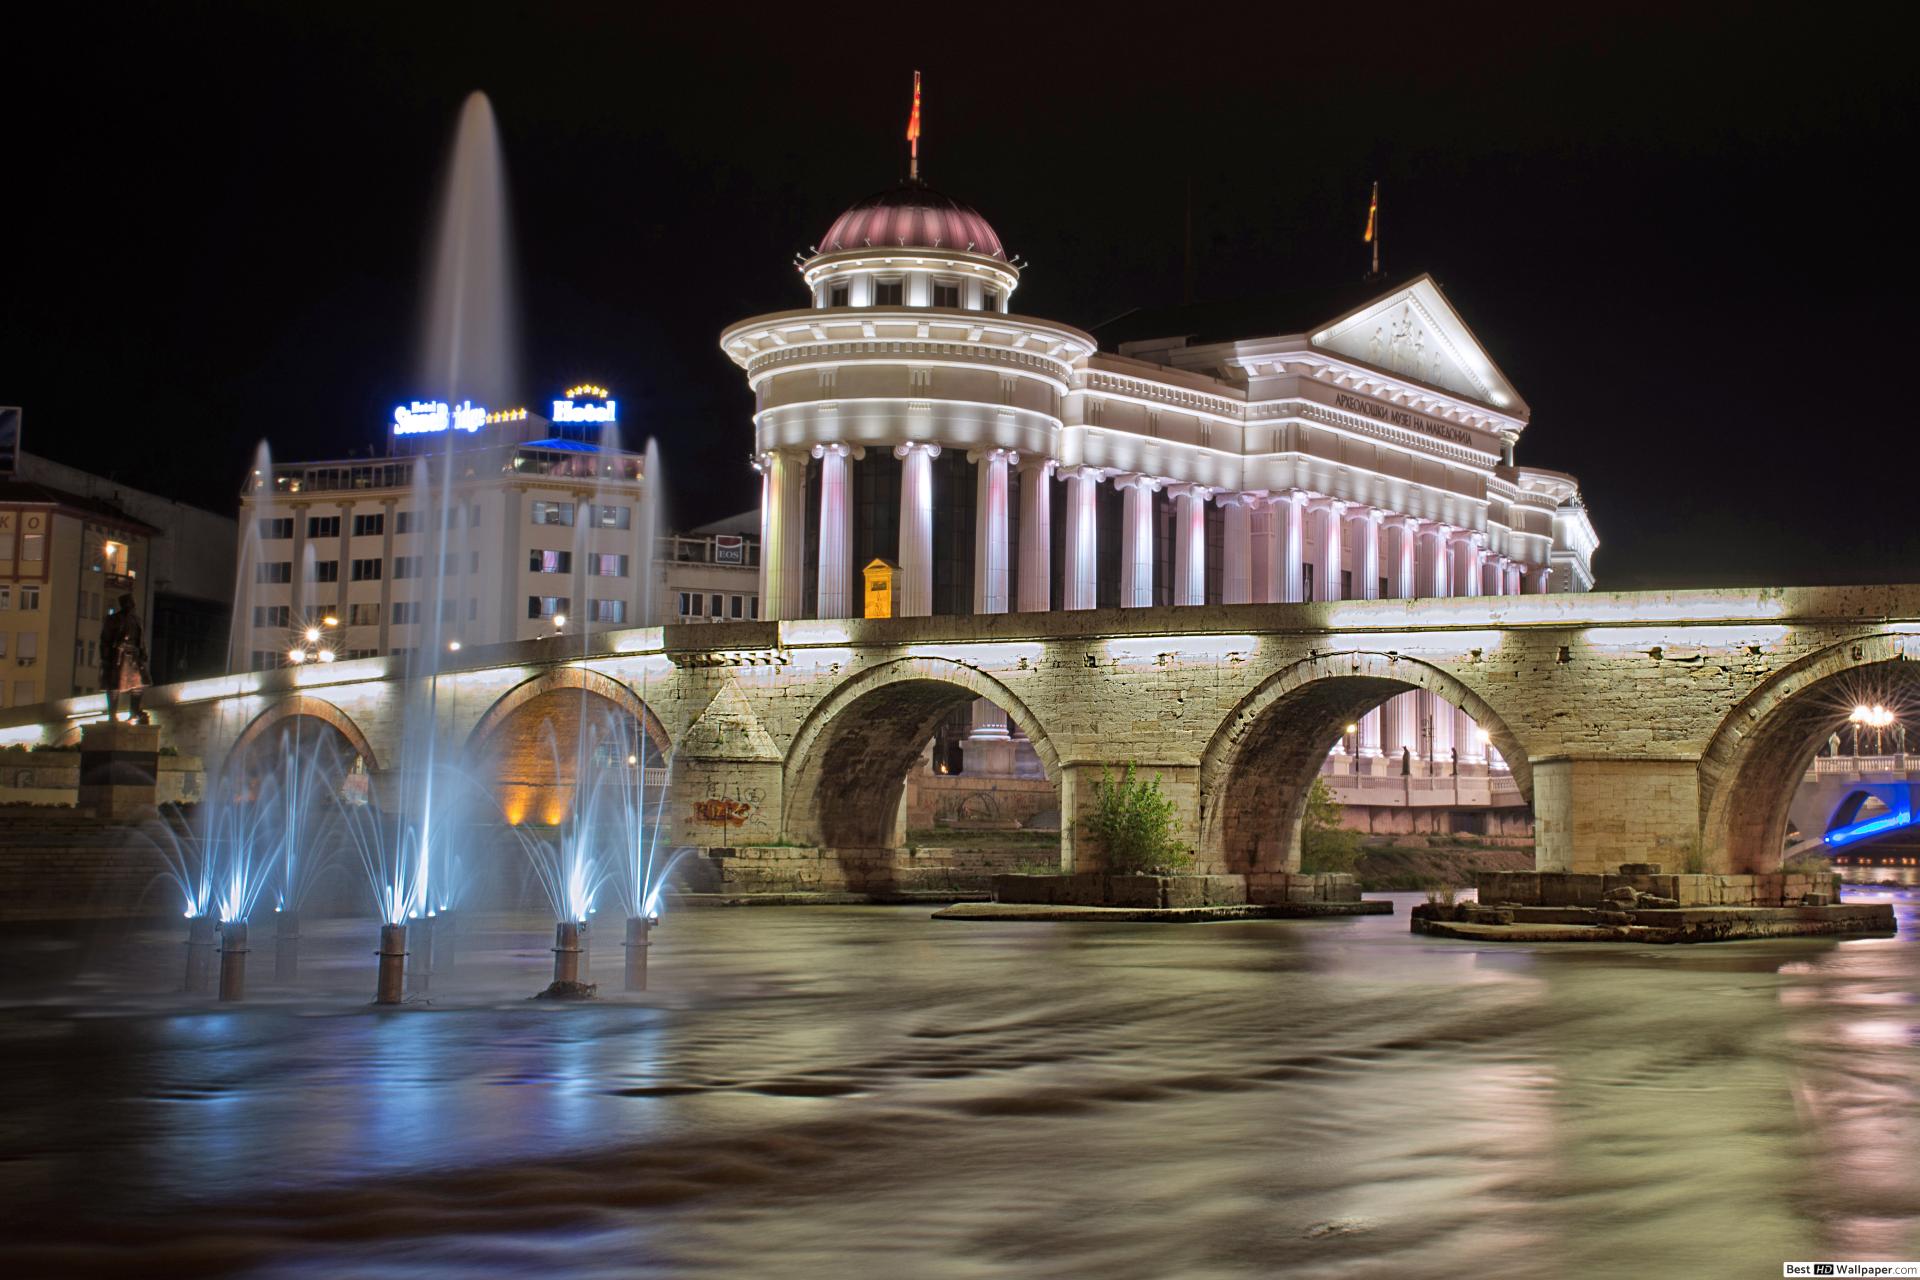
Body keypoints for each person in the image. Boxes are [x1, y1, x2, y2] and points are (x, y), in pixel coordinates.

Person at [100, 592, 151, 724]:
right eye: (128, 603)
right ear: (123, 605)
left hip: (134, 656)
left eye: (132, 603)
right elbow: (105, 639)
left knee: (139, 684)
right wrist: (106, 657)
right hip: (118, 656)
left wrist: (143, 652)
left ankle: (134, 712)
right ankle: (112, 715)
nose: (131, 606)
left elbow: (141, 638)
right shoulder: (113, 619)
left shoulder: (136, 620)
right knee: (114, 685)